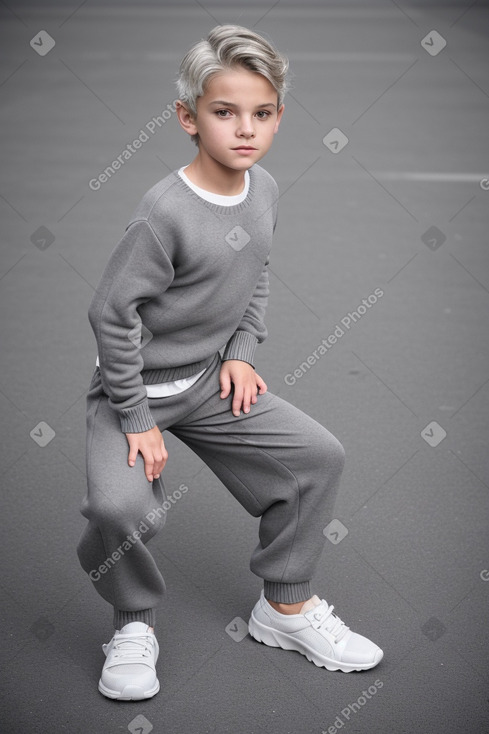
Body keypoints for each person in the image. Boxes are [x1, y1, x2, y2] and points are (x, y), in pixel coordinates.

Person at [77, 24, 383, 701]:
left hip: (209, 381)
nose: (244, 129)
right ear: (188, 118)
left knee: (316, 458)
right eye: (223, 112)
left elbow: (255, 269)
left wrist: (241, 353)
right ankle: (132, 622)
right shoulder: (163, 214)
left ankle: (285, 607)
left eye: (262, 113)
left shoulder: (264, 187)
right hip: (134, 392)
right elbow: (109, 317)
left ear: (277, 116)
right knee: (119, 509)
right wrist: (133, 417)